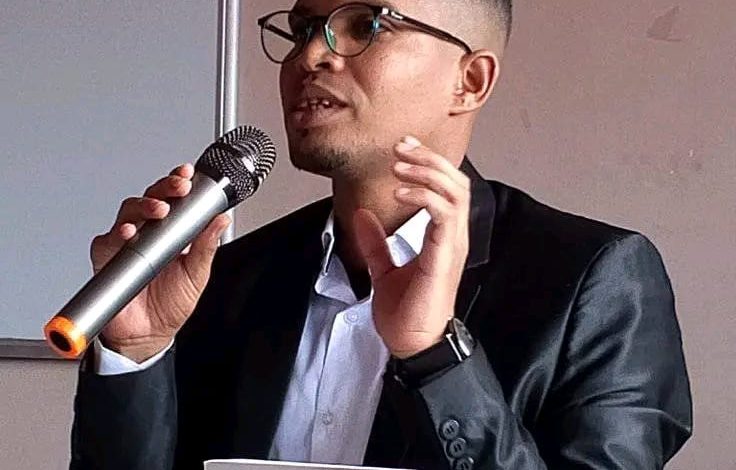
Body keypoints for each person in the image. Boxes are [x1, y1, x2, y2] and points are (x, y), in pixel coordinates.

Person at [69, 1, 692, 469]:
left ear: (470, 80)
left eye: (364, 24)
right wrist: (139, 354)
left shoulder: (597, 280)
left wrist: (435, 356)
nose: (310, 56)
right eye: (302, 28)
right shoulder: (228, 276)